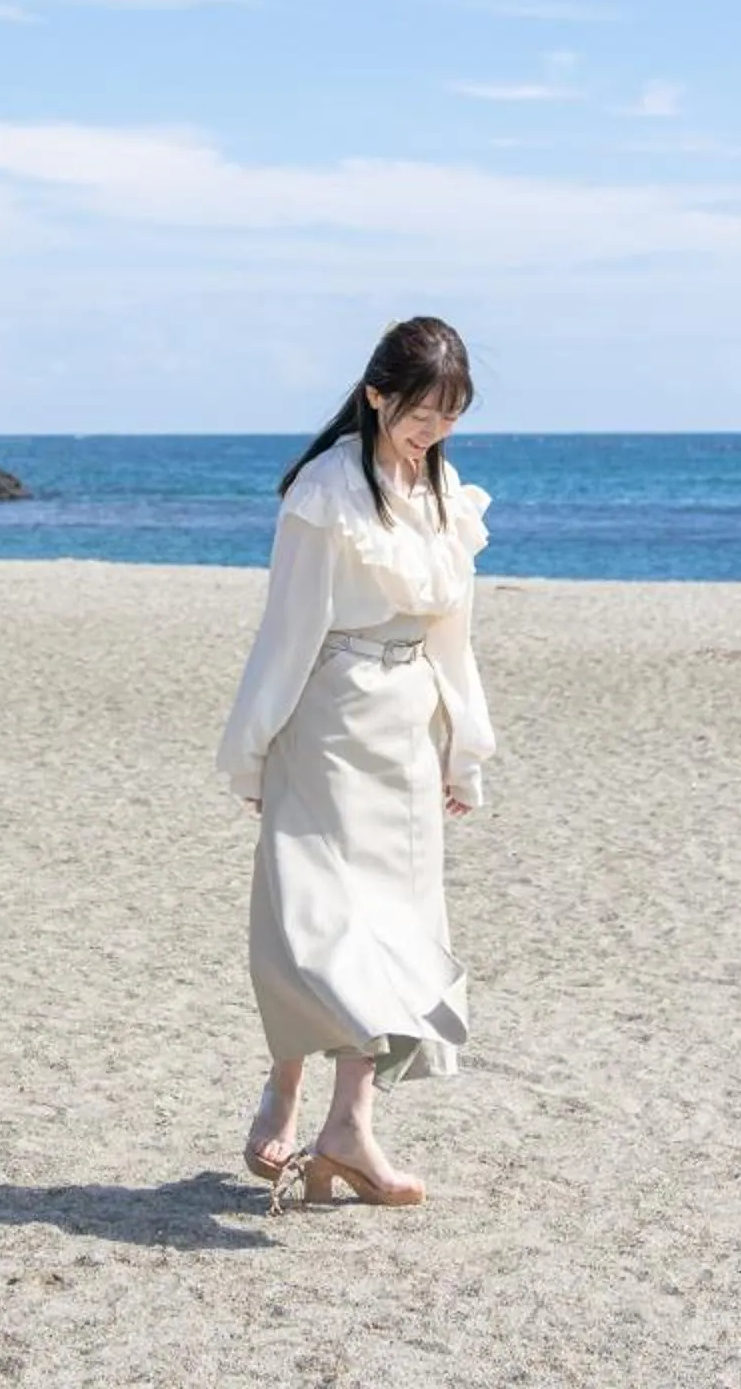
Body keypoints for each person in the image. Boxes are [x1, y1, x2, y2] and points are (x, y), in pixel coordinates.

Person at [216, 316, 495, 1208]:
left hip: (408, 725)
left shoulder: (447, 492)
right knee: (321, 925)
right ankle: (286, 1092)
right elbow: (287, 632)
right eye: (422, 411)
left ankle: (349, 1130)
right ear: (377, 395)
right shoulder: (325, 491)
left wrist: (466, 748)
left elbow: (452, 633)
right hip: (330, 718)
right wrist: (253, 746)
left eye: (450, 415)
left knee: (400, 931)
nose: (434, 430)